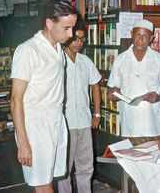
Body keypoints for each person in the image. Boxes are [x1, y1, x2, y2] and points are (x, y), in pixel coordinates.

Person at [10, 0, 77, 192]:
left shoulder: (59, 51)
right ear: (50, 23)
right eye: (66, 28)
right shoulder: (28, 50)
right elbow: (15, 100)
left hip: (56, 120)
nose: (71, 34)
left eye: (72, 28)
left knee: (47, 180)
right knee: (43, 184)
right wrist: (23, 142)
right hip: (35, 126)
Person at [108, 19, 160, 146]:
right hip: (129, 126)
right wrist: (113, 94)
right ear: (131, 34)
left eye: (145, 36)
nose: (140, 39)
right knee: (129, 163)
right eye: (138, 35)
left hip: (153, 126)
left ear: (151, 38)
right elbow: (113, 88)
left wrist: (159, 97)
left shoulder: (159, 59)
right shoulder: (120, 60)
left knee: (153, 163)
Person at [57, 14, 101, 193]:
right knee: (64, 168)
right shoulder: (57, 60)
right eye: (75, 39)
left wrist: (97, 114)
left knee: (85, 166)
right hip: (64, 122)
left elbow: (95, 87)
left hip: (84, 121)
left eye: (82, 39)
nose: (78, 43)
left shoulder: (86, 62)